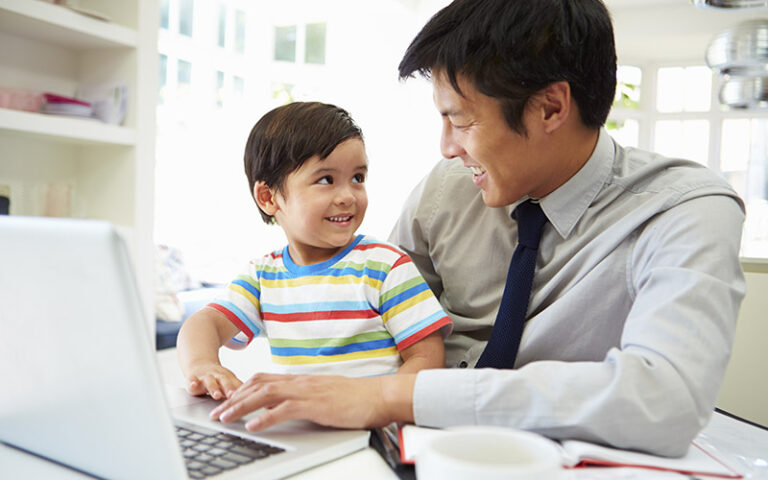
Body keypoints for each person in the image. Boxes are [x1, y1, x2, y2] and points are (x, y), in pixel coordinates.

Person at [209, 0, 746, 457]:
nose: (447, 146)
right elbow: (369, 308)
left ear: (549, 107)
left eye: (461, 121)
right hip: (401, 451)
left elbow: (667, 400)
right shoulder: (445, 189)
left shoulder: (685, 210)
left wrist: (390, 397)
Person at [177, 102, 452, 400]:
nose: (348, 196)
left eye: (358, 178)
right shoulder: (262, 277)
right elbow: (203, 324)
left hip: (375, 428)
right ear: (268, 197)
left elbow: (427, 360)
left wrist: (373, 401)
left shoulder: (385, 266)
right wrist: (203, 365)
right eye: (326, 180)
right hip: (301, 428)